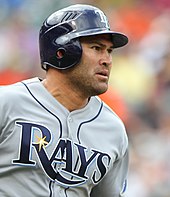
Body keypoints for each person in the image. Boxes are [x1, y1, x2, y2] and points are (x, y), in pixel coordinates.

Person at [0, 4, 129, 197]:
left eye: (109, 51)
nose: (107, 60)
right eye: (97, 48)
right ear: (62, 51)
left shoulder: (113, 130)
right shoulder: (7, 103)